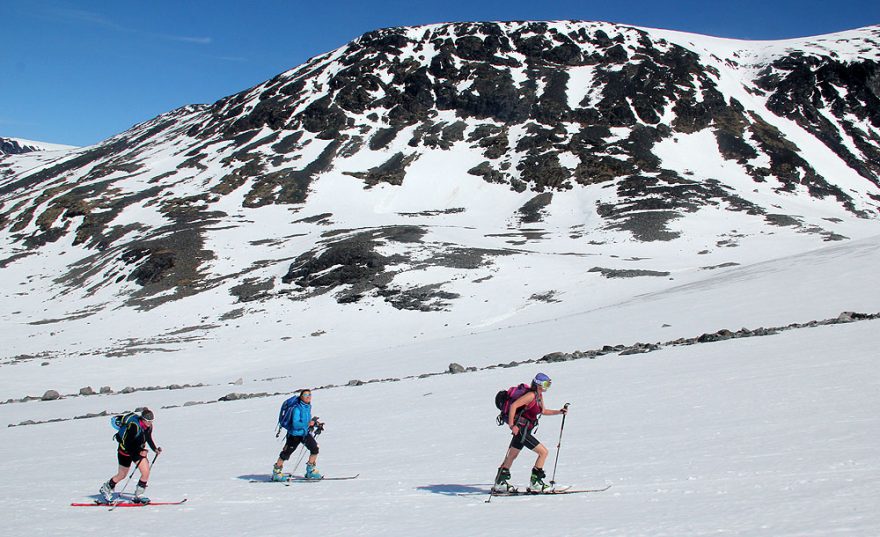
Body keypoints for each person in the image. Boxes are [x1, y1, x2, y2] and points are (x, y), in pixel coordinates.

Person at [493, 373, 567, 492]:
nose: (547, 387)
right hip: (521, 430)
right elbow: (513, 406)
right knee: (543, 452)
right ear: (538, 384)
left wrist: (559, 412)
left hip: (525, 429)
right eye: (545, 384)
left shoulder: (539, 396)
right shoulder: (531, 395)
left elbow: (543, 411)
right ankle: (536, 483)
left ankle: (500, 482)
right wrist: (512, 425)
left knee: (512, 455)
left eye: (549, 384)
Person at [99, 408, 162, 503]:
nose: (150, 423)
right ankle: (107, 488)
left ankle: (139, 494)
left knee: (146, 472)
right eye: (148, 421)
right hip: (125, 451)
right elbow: (127, 444)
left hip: (138, 451)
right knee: (122, 475)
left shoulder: (148, 426)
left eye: (151, 421)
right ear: (143, 419)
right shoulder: (134, 426)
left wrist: (154, 449)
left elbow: (148, 437)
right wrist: (140, 451)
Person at [273, 389, 324, 481]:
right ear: (301, 397)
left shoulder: (307, 407)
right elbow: (295, 424)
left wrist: (316, 424)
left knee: (315, 448)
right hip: (294, 435)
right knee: (286, 454)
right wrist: (308, 424)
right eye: (306, 395)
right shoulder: (297, 408)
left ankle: (310, 471)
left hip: (304, 433)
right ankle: (276, 472)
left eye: (310, 394)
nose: (308, 396)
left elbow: (307, 421)